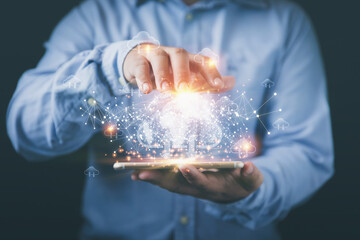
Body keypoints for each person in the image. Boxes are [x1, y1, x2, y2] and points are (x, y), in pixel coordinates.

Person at [6, 0, 334, 239]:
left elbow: (306, 150)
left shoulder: (283, 21)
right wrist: (111, 69)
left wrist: (256, 189)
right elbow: (26, 132)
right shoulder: (96, 16)